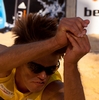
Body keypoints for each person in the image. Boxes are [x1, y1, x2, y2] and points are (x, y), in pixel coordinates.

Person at [0, 13, 90, 100]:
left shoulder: (51, 88)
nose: (43, 76)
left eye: (51, 69)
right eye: (36, 68)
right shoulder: (8, 63)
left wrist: (71, 64)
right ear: (20, 61)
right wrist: (55, 42)